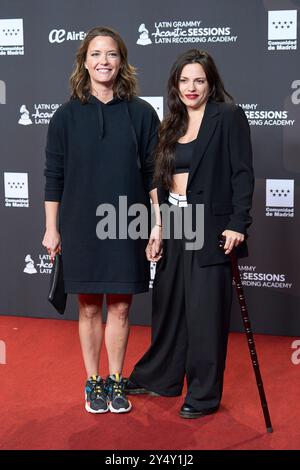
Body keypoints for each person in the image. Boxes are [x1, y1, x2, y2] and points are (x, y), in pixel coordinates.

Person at [126, 49, 254, 418]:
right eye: (184, 80)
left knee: (205, 314)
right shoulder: (171, 125)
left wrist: (237, 222)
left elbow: (243, 174)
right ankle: (161, 377)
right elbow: (161, 183)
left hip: (211, 227)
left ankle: (203, 394)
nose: (191, 87)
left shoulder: (228, 117)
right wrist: (158, 228)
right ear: (175, 85)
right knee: (169, 307)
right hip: (176, 223)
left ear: (211, 82)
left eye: (199, 79)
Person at [42, 26, 161, 414]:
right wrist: (51, 227)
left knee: (122, 308)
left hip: (127, 222)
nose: (103, 61)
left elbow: (153, 176)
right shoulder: (64, 116)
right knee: (90, 307)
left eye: (111, 54)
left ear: (121, 61)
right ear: (84, 62)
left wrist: (158, 224)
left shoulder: (142, 114)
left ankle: (115, 380)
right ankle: (93, 382)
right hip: (79, 224)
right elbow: (53, 175)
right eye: (96, 54)